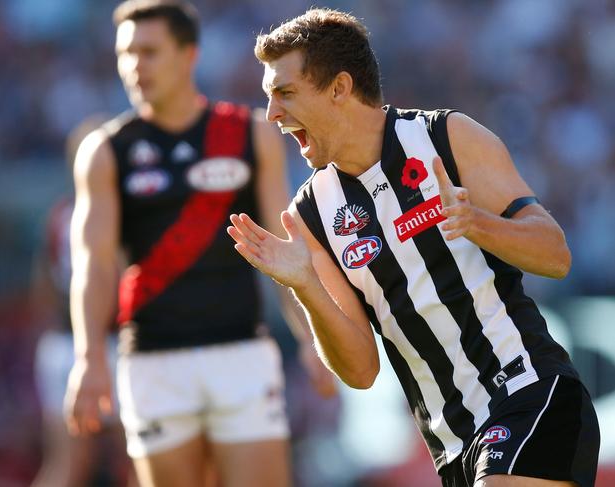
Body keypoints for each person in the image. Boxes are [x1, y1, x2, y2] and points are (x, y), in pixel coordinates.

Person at [227, 8, 600, 487]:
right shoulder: (312, 214)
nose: (272, 114)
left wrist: (477, 224)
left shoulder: (446, 138)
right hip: (452, 446)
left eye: (285, 93)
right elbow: (361, 371)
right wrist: (305, 286)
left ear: (339, 88)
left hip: (531, 393)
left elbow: (556, 255)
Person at [63, 1, 335, 487]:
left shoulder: (250, 133)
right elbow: (95, 263)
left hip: (241, 355)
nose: (134, 66)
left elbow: (282, 251)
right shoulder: (105, 150)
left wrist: (312, 338)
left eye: (149, 52)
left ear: (189, 54)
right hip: (152, 361)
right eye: (126, 53)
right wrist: (89, 358)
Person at [30, 116, 135, 487]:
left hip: (62, 341)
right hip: (107, 342)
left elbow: (41, 282)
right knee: (139, 461)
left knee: (68, 464)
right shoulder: (113, 214)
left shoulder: (59, 213)